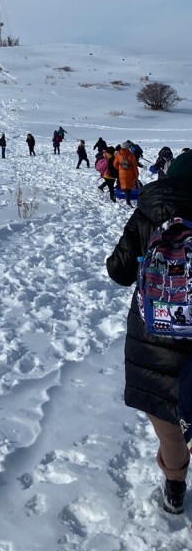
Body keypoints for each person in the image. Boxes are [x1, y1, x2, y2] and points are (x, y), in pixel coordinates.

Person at [106, 151, 192, 513]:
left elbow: (119, 271)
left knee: (170, 431)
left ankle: (174, 485)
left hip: (152, 342)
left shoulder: (148, 211)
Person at [114, 141, 140, 207]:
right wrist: (136, 174)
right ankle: (128, 202)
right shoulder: (132, 155)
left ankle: (127, 200)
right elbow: (134, 166)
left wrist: (120, 169)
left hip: (122, 174)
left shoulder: (118, 155)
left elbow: (115, 164)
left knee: (124, 187)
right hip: (130, 174)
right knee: (128, 188)